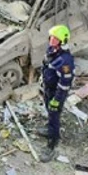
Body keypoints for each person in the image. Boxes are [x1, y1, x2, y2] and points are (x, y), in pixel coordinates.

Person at [38, 25, 75, 163]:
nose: (52, 40)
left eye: (56, 39)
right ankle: (50, 129)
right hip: (49, 88)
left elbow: (65, 83)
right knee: (49, 111)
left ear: (62, 41)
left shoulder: (65, 61)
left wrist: (57, 100)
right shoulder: (52, 50)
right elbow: (46, 66)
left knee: (54, 116)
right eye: (51, 37)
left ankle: (52, 144)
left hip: (57, 92)